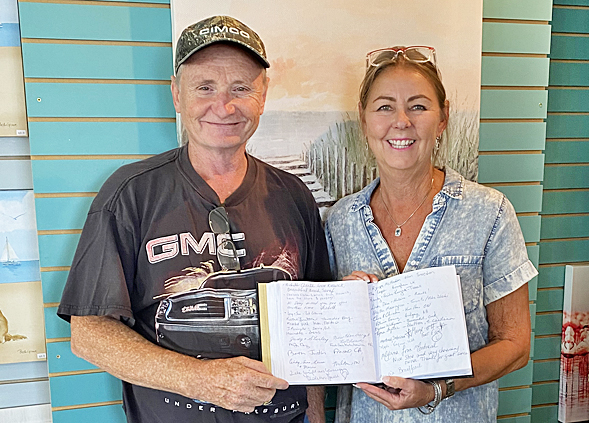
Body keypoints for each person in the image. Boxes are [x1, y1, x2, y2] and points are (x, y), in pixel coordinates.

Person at [56, 15, 330, 423]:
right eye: (205, 87)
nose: (224, 106)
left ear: (263, 95)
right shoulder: (130, 194)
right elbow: (90, 333)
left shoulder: (294, 195)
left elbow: (315, 329)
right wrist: (200, 379)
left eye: (241, 88)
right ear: (177, 95)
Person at [325, 46, 537, 422]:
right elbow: (328, 347)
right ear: (364, 120)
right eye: (385, 107)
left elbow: (516, 346)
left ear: (443, 119)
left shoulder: (489, 213)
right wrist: (342, 307)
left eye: (419, 106)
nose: (401, 121)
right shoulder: (340, 221)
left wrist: (438, 389)